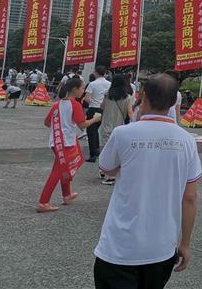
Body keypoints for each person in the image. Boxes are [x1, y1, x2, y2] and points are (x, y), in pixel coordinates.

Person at [93, 74, 201, 289]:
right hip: (162, 248)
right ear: (173, 102)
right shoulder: (187, 141)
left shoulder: (123, 134)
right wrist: (185, 244)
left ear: (142, 97)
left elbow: (106, 168)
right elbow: (189, 197)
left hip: (119, 247)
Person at [37, 77, 101, 212]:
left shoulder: (57, 104)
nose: (83, 91)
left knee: (62, 167)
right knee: (57, 171)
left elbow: (47, 122)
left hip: (57, 141)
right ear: (74, 89)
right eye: (82, 88)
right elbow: (82, 124)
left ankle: (67, 195)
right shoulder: (75, 104)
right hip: (66, 142)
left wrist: (59, 126)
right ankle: (43, 202)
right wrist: (95, 119)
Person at [98, 74, 134, 186]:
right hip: (120, 127)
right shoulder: (127, 97)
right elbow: (130, 113)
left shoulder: (107, 95)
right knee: (116, 151)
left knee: (105, 148)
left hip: (106, 125)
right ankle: (112, 175)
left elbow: (102, 106)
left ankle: (103, 171)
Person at [83, 66, 111, 162]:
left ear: (96, 73)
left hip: (94, 109)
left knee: (91, 131)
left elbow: (87, 98)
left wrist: (92, 102)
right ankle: (99, 150)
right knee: (101, 131)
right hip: (106, 110)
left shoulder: (92, 84)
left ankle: (93, 154)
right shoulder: (110, 84)